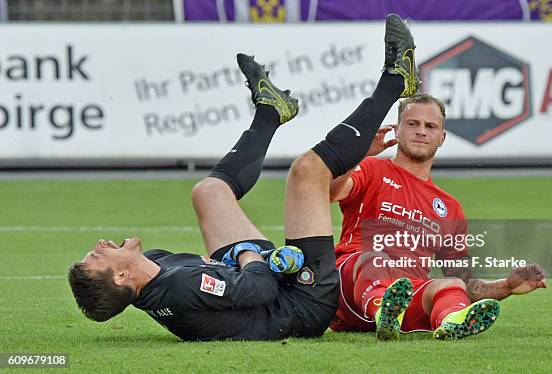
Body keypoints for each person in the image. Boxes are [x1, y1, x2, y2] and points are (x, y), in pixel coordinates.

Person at [67, 13, 418, 341]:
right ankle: (395, 80)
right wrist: (251, 254)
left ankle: (270, 112)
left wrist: (245, 260)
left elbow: (232, 282)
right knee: (307, 171)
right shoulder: (179, 287)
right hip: (304, 302)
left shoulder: (155, 268)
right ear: (121, 277)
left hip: (274, 282)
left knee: (208, 192)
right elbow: (259, 289)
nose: (99, 244)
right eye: (96, 257)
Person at [328, 93, 548, 340]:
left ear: (441, 138)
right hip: (350, 289)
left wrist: (507, 286)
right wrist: (358, 153)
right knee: (375, 259)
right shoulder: (371, 168)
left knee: (451, 285)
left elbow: (467, 281)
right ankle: (384, 310)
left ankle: (451, 321)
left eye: (430, 126)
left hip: (404, 297)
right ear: (397, 131)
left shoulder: (449, 207)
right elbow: (330, 192)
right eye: (413, 124)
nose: (421, 131)